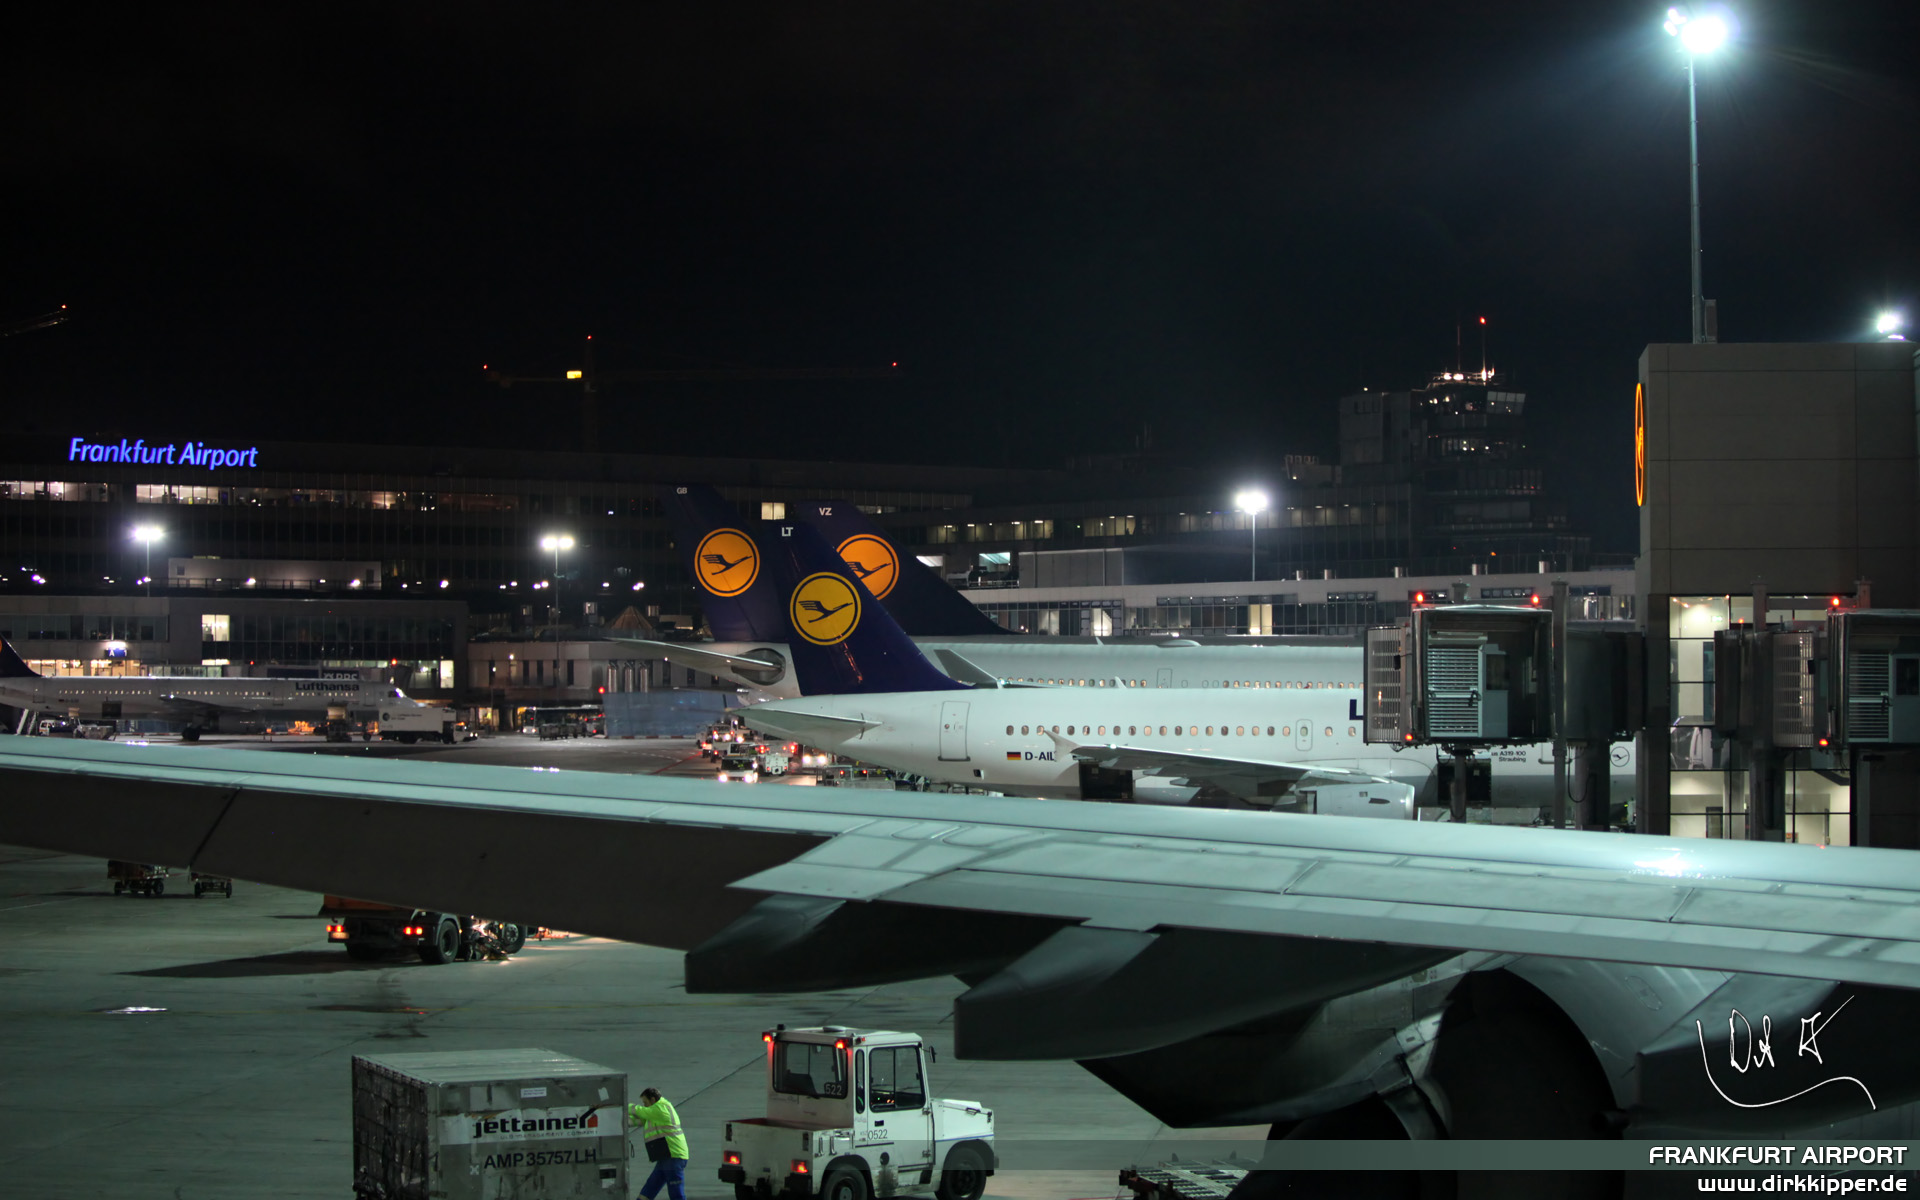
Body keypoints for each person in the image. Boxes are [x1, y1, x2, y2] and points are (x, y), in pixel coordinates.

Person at [629, 1086, 689, 1200]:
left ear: (652, 1099)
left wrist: (625, 1106)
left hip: (673, 1155)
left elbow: (639, 1111)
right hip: (665, 1156)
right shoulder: (653, 1113)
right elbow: (638, 1119)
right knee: (650, 1188)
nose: (644, 1105)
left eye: (645, 1102)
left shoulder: (661, 1108)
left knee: (676, 1193)